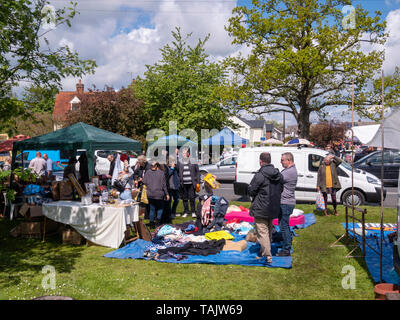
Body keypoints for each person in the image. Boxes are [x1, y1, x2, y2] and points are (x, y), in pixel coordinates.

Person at [248, 152, 283, 264]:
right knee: (267, 230)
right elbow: (281, 189)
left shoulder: (260, 175)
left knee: (262, 232)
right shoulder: (278, 175)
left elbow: (252, 190)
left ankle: (267, 256)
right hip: (273, 206)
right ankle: (264, 251)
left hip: (261, 207)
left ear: (261, 161)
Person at [277, 152, 298, 257]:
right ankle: (287, 241)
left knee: (283, 225)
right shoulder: (290, 170)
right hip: (287, 202)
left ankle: (286, 249)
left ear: (288, 160)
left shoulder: (289, 172)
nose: (281, 162)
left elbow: (276, 178)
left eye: (282, 160)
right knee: (284, 225)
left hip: (285, 203)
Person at [143, 162, 170, 229]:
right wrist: (167, 194)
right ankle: (157, 223)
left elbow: (144, 182)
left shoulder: (148, 172)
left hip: (150, 193)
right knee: (160, 208)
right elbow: (164, 185)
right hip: (159, 193)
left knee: (152, 209)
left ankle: (152, 224)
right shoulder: (161, 173)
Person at [177, 148, 200, 218]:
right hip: (183, 183)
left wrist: (197, 181)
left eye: (185, 153)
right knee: (184, 198)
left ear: (188, 153)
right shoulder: (179, 162)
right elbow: (177, 170)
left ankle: (193, 211)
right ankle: (186, 211)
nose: (183, 154)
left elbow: (197, 172)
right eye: (182, 153)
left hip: (191, 183)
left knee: (192, 198)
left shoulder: (193, 161)